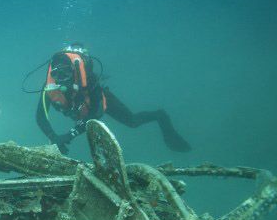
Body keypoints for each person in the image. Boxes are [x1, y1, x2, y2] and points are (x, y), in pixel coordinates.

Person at [36, 43, 191, 154]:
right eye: (57, 75)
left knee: (132, 121)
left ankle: (160, 115)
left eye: (66, 74)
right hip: (79, 111)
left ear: (74, 72)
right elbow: (40, 116)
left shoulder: (89, 81)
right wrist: (54, 138)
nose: (61, 79)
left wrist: (70, 134)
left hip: (97, 104)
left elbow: (94, 114)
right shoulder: (50, 87)